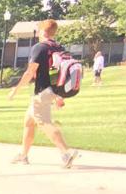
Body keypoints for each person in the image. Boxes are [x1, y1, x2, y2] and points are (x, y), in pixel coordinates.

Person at [8, 19, 79, 168]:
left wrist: (16, 89)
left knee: (45, 123)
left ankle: (66, 153)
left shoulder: (39, 48)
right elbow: (59, 72)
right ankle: (23, 155)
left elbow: (30, 72)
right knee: (29, 122)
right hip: (53, 90)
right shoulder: (58, 47)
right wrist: (59, 95)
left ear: (42, 31)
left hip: (42, 92)